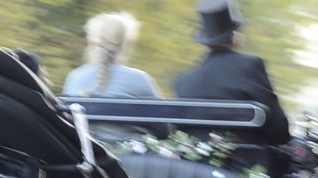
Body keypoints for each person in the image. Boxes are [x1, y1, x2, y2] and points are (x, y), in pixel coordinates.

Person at [174, 0, 290, 146]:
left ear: (206, 42)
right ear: (234, 36)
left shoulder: (183, 81)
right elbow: (279, 129)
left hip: (194, 165)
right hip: (248, 164)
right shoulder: (250, 66)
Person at [63, 12, 165, 141]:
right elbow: (164, 129)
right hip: (133, 157)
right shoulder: (140, 79)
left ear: (93, 42)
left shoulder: (75, 77)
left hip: (89, 156)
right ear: (125, 45)